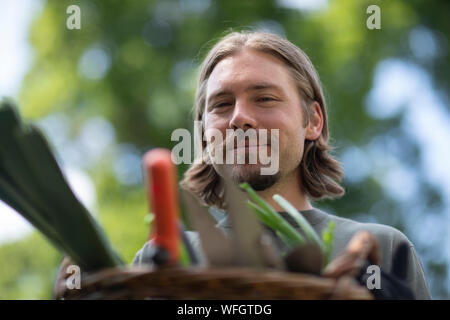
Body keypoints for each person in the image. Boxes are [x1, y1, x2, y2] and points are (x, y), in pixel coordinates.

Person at [132, 31, 431, 299]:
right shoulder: (162, 260)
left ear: (313, 121)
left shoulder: (383, 250)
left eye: (264, 98)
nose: (239, 118)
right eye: (221, 105)